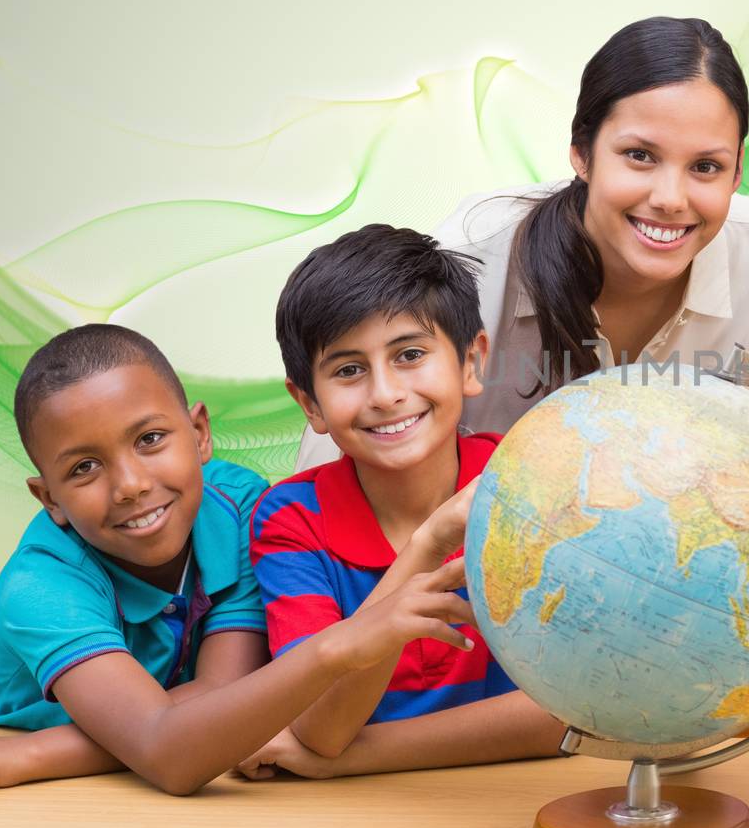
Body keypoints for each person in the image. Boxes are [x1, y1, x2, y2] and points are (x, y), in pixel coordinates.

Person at [0, 325, 467, 794]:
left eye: (149, 439)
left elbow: (222, 698)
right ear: (50, 499)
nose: (129, 485)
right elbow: (172, 755)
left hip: (113, 771)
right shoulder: (41, 584)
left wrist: (38, 754)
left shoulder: (241, 506)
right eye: (83, 469)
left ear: (199, 434)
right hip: (12, 793)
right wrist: (17, 757)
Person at [297, 15, 749, 465]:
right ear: (580, 152)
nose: (671, 198)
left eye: (706, 166)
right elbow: (348, 449)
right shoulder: (472, 261)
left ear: (738, 173)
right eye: (640, 155)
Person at [240, 225, 563, 779]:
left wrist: (348, 761)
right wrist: (428, 543)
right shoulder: (291, 519)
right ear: (308, 403)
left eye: (410, 354)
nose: (385, 394)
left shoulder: (532, 479)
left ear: (470, 363)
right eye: (347, 370)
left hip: (520, 801)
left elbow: (571, 712)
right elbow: (320, 726)